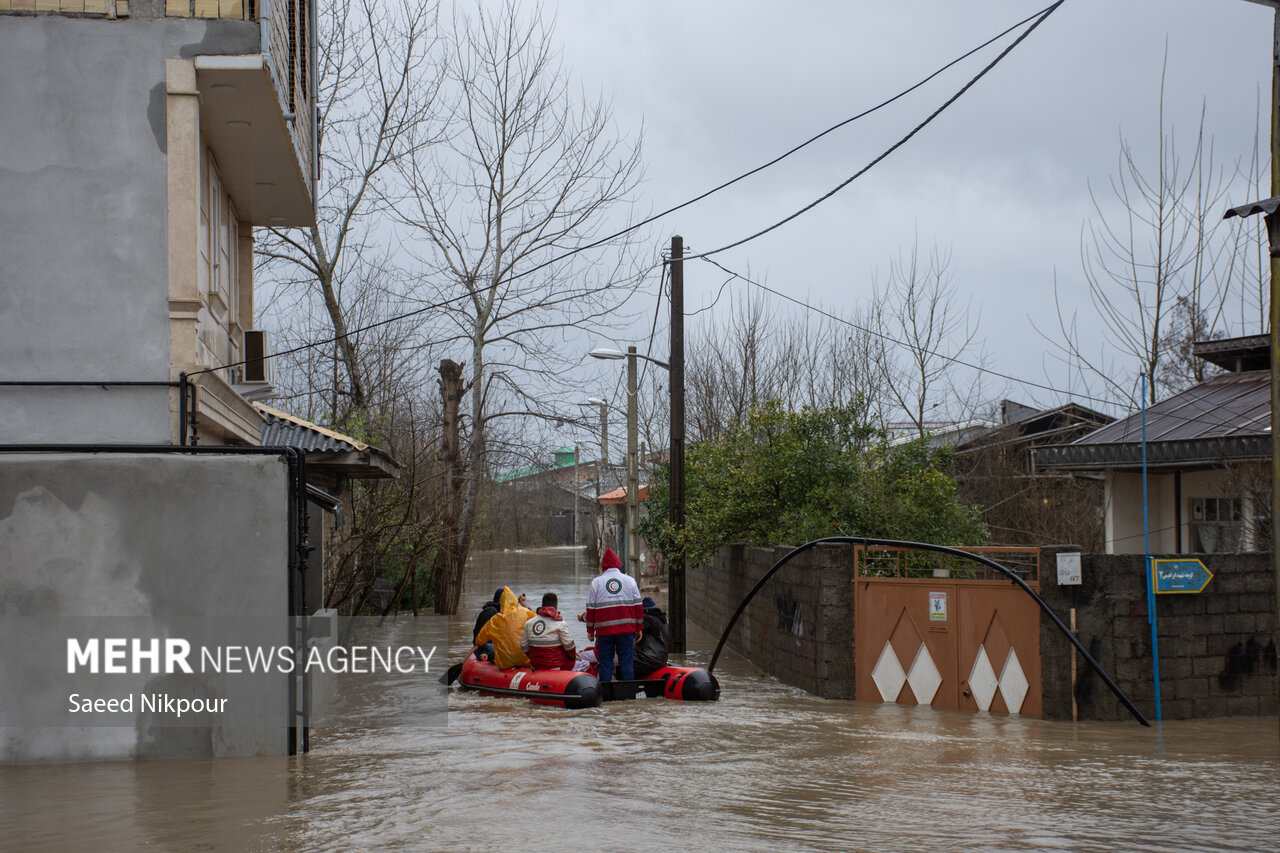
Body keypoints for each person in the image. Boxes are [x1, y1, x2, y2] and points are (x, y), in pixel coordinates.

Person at [584, 547, 643, 682]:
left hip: (604, 633)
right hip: (626, 632)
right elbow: (638, 607)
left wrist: (590, 631)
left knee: (605, 663)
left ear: (603, 566)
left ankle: (606, 694)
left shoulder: (596, 583)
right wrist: (639, 628)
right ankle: (628, 695)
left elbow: (590, 609)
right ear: (618, 564)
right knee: (627, 662)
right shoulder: (630, 581)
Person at [467, 587, 535, 669]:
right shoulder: (491, 612)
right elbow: (479, 638)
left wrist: (522, 603)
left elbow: (480, 639)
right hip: (488, 647)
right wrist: (483, 651)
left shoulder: (500, 617)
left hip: (502, 651)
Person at [520, 592, 577, 671]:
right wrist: (573, 657)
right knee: (586, 664)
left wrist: (536, 658)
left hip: (536, 665)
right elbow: (569, 647)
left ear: (542, 605)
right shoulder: (560, 623)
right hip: (557, 666)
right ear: (556, 606)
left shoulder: (529, 623)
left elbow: (524, 646)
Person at [634, 596, 670, 678]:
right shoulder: (663, 621)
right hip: (662, 661)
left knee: (622, 662)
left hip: (647, 660)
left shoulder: (647, 620)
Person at [471, 588, 504, 661]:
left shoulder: (503, 613)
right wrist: (483, 651)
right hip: (485, 647)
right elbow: (479, 634)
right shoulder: (490, 612)